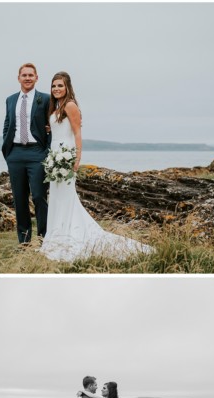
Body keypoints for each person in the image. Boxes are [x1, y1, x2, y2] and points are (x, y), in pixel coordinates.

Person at [39, 72, 154, 262]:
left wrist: (76, 158)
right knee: (57, 198)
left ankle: (70, 238)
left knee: (67, 198)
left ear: (67, 87)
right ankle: (56, 237)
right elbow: (61, 128)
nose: (56, 89)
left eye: (60, 85)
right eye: (53, 86)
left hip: (65, 157)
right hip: (54, 156)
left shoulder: (70, 104)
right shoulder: (56, 106)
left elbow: (77, 133)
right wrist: (51, 129)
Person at [2, 63, 51, 245]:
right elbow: (8, 124)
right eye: (24, 75)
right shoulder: (10, 100)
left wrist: (46, 151)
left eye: (31, 75)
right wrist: (7, 151)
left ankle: (44, 238)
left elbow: (52, 125)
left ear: (36, 78)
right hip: (15, 154)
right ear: (19, 78)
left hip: (37, 153)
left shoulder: (45, 99)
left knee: (39, 196)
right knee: (19, 199)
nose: (28, 78)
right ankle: (24, 241)